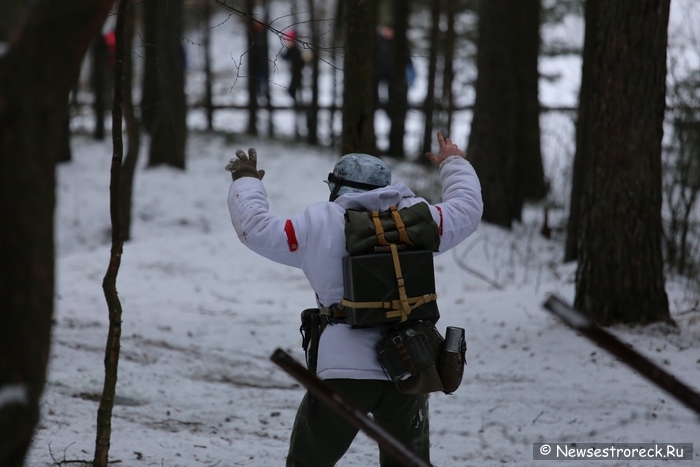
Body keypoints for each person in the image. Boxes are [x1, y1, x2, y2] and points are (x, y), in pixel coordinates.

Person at [225, 131, 483, 466]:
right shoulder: (421, 220)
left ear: (336, 185)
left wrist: (246, 182)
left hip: (341, 371)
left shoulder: (317, 223)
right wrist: (453, 162)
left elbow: (256, 228)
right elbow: (467, 208)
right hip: (409, 363)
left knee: (308, 462)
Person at [281, 30, 305, 103]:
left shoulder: (293, 50)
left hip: (296, 72)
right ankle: (296, 103)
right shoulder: (296, 49)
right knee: (294, 89)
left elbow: (286, 57)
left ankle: (297, 103)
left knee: (292, 90)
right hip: (296, 72)